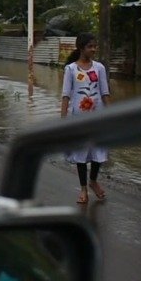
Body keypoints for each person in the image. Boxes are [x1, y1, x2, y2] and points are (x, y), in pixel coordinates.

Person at [60, 33, 112, 205]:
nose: (94, 49)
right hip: (79, 118)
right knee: (80, 153)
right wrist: (63, 120)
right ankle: (83, 188)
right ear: (81, 48)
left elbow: (105, 93)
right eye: (90, 46)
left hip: (98, 117)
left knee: (99, 151)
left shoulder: (99, 68)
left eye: (95, 46)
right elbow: (66, 96)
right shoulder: (71, 69)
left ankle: (93, 180)